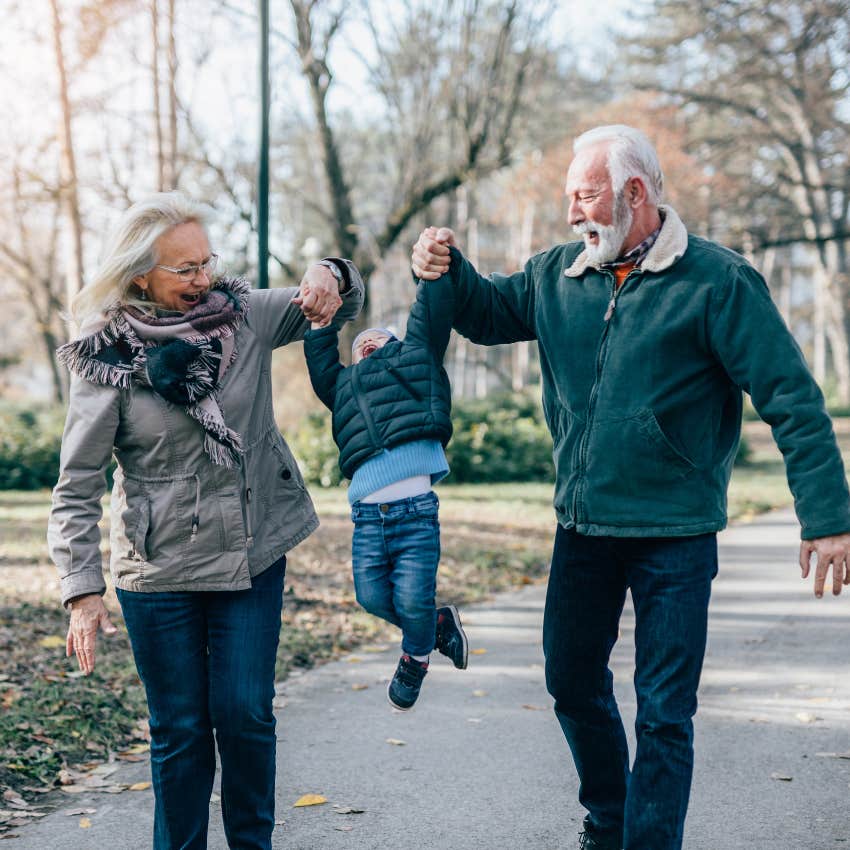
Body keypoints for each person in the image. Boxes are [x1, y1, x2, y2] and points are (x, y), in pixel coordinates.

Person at [410, 125, 850, 850]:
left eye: (585, 196)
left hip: (676, 532)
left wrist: (827, 517)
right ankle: (610, 821)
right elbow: (485, 313)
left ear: (634, 192)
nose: (571, 214)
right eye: (569, 199)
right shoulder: (558, 274)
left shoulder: (718, 282)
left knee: (664, 711)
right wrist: (447, 267)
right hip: (583, 527)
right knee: (571, 682)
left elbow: (792, 400)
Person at [47, 191, 363, 850]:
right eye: (185, 268)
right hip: (158, 568)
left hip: (251, 549)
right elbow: (77, 482)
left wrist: (329, 273)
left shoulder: (243, 316)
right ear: (141, 275)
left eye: (207, 262)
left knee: (245, 715)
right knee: (182, 730)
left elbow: (334, 301)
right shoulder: (106, 357)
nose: (203, 278)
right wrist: (82, 590)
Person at [302, 270, 468, 710]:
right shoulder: (343, 387)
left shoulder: (416, 359)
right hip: (367, 519)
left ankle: (415, 658)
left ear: (397, 346)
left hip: (416, 513)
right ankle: (436, 625)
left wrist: (432, 272)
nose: (366, 343)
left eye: (376, 339)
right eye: (359, 345)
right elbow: (322, 363)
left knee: (411, 598)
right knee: (371, 597)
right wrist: (321, 326)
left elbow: (427, 315)